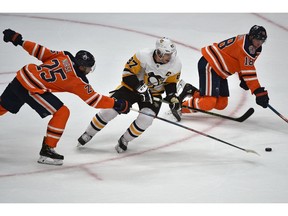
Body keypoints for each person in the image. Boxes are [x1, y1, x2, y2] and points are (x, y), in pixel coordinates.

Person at [0, 29, 130, 165]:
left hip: (23, 76)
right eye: (88, 68)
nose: (89, 70)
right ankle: (47, 150)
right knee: (62, 112)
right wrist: (116, 104)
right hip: (32, 88)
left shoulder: (65, 56)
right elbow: (94, 100)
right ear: (81, 67)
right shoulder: (78, 80)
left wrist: (19, 40)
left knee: (3, 106)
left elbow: (41, 51)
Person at [77, 37, 182, 153]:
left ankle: (125, 139)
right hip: (131, 88)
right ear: (159, 53)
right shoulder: (142, 55)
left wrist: (172, 96)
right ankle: (89, 133)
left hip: (153, 93)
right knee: (109, 111)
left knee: (147, 118)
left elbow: (170, 83)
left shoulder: (176, 64)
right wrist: (140, 88)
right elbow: (127, 74)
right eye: (167, 54)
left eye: (171, 54)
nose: (170, 57)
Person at [178, 25, 269, 114]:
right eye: (258, 40)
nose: (259, 43)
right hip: (210, 65)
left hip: (220, 71)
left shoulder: (252, 46)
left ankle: (190, 90)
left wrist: (242, 77)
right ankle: (178, 108)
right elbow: (249, 71)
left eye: (262, 41)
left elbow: (243, 64)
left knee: (221, 104)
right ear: (251, 37)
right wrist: (258, 92)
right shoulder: (246, 48)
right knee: (208, 103)